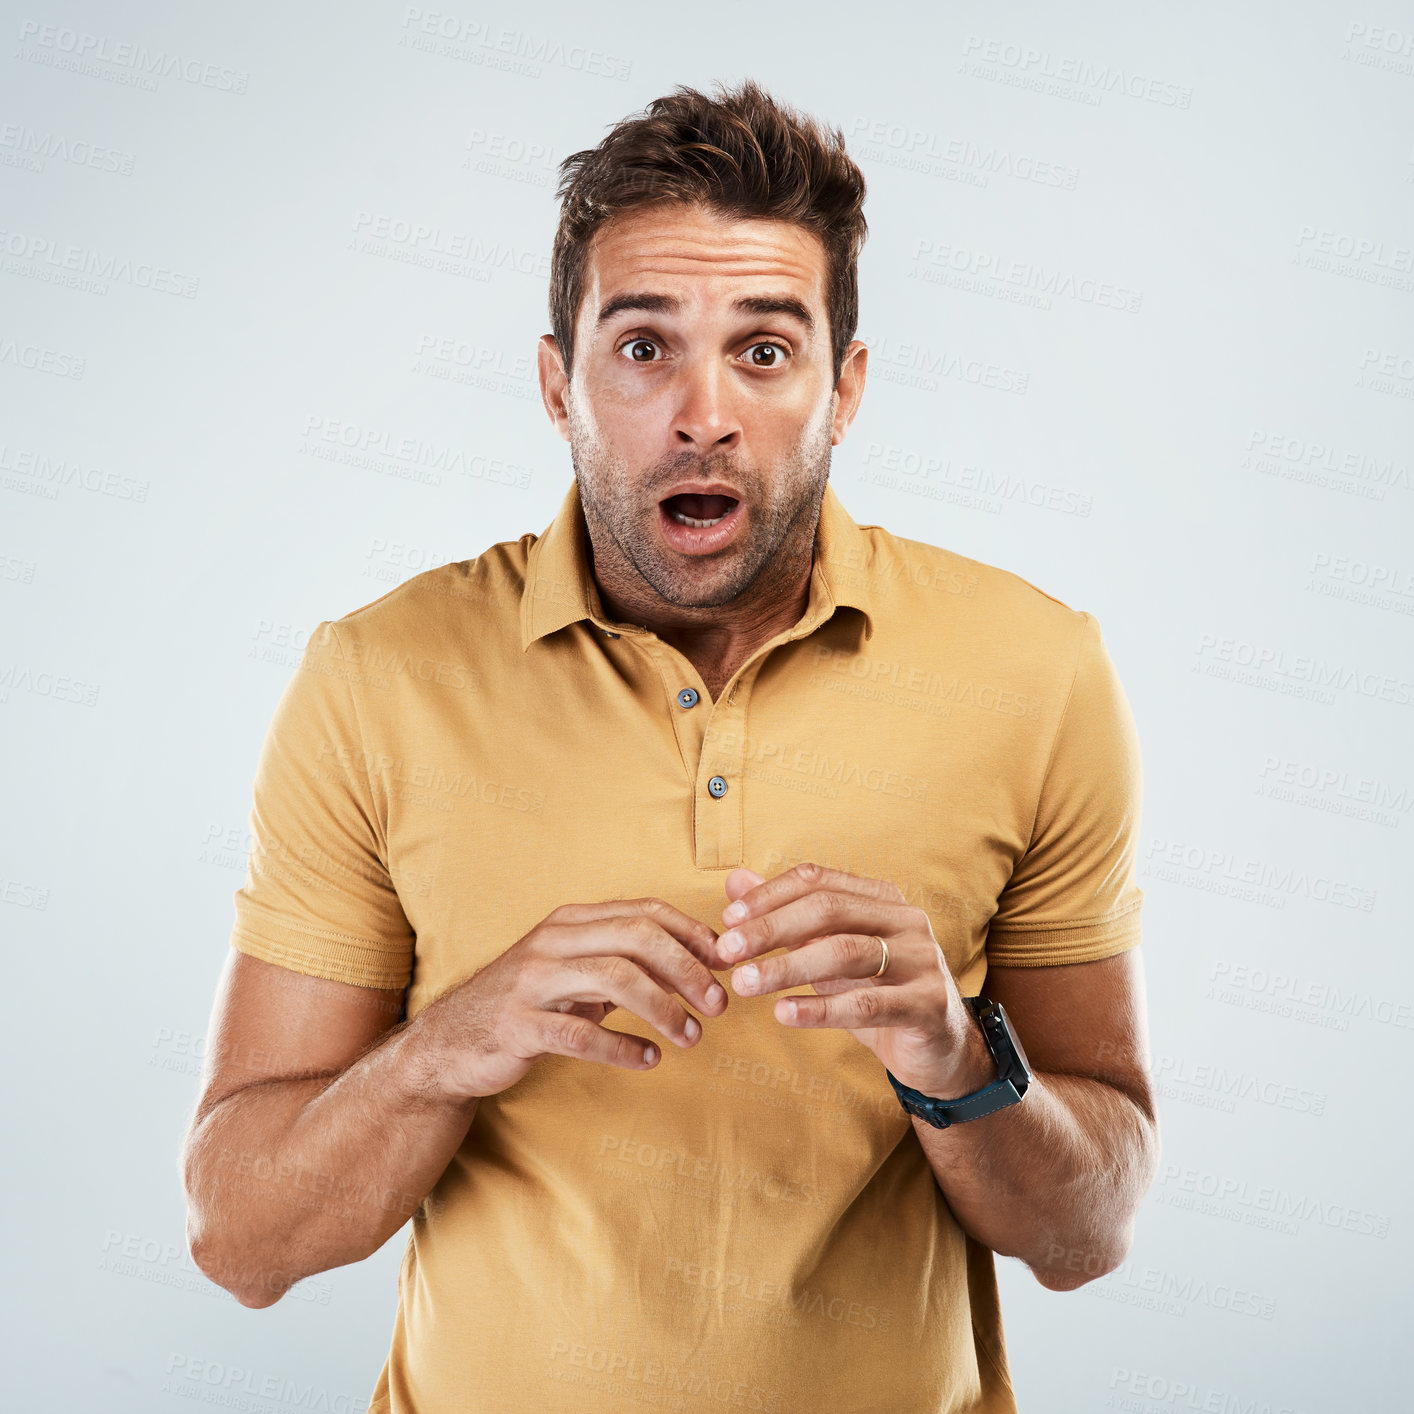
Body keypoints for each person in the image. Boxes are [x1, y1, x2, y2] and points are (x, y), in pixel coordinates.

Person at [180, 78, 1158, 1414]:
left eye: (764, 350)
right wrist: (441, 1047)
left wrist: (957, 1059)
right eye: (643, 348)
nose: (704, 411)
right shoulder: (379, 677)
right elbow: (239, 1236)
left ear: (844, 387)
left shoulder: (1035, 670)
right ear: (556, 381)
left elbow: (1086, 1233)